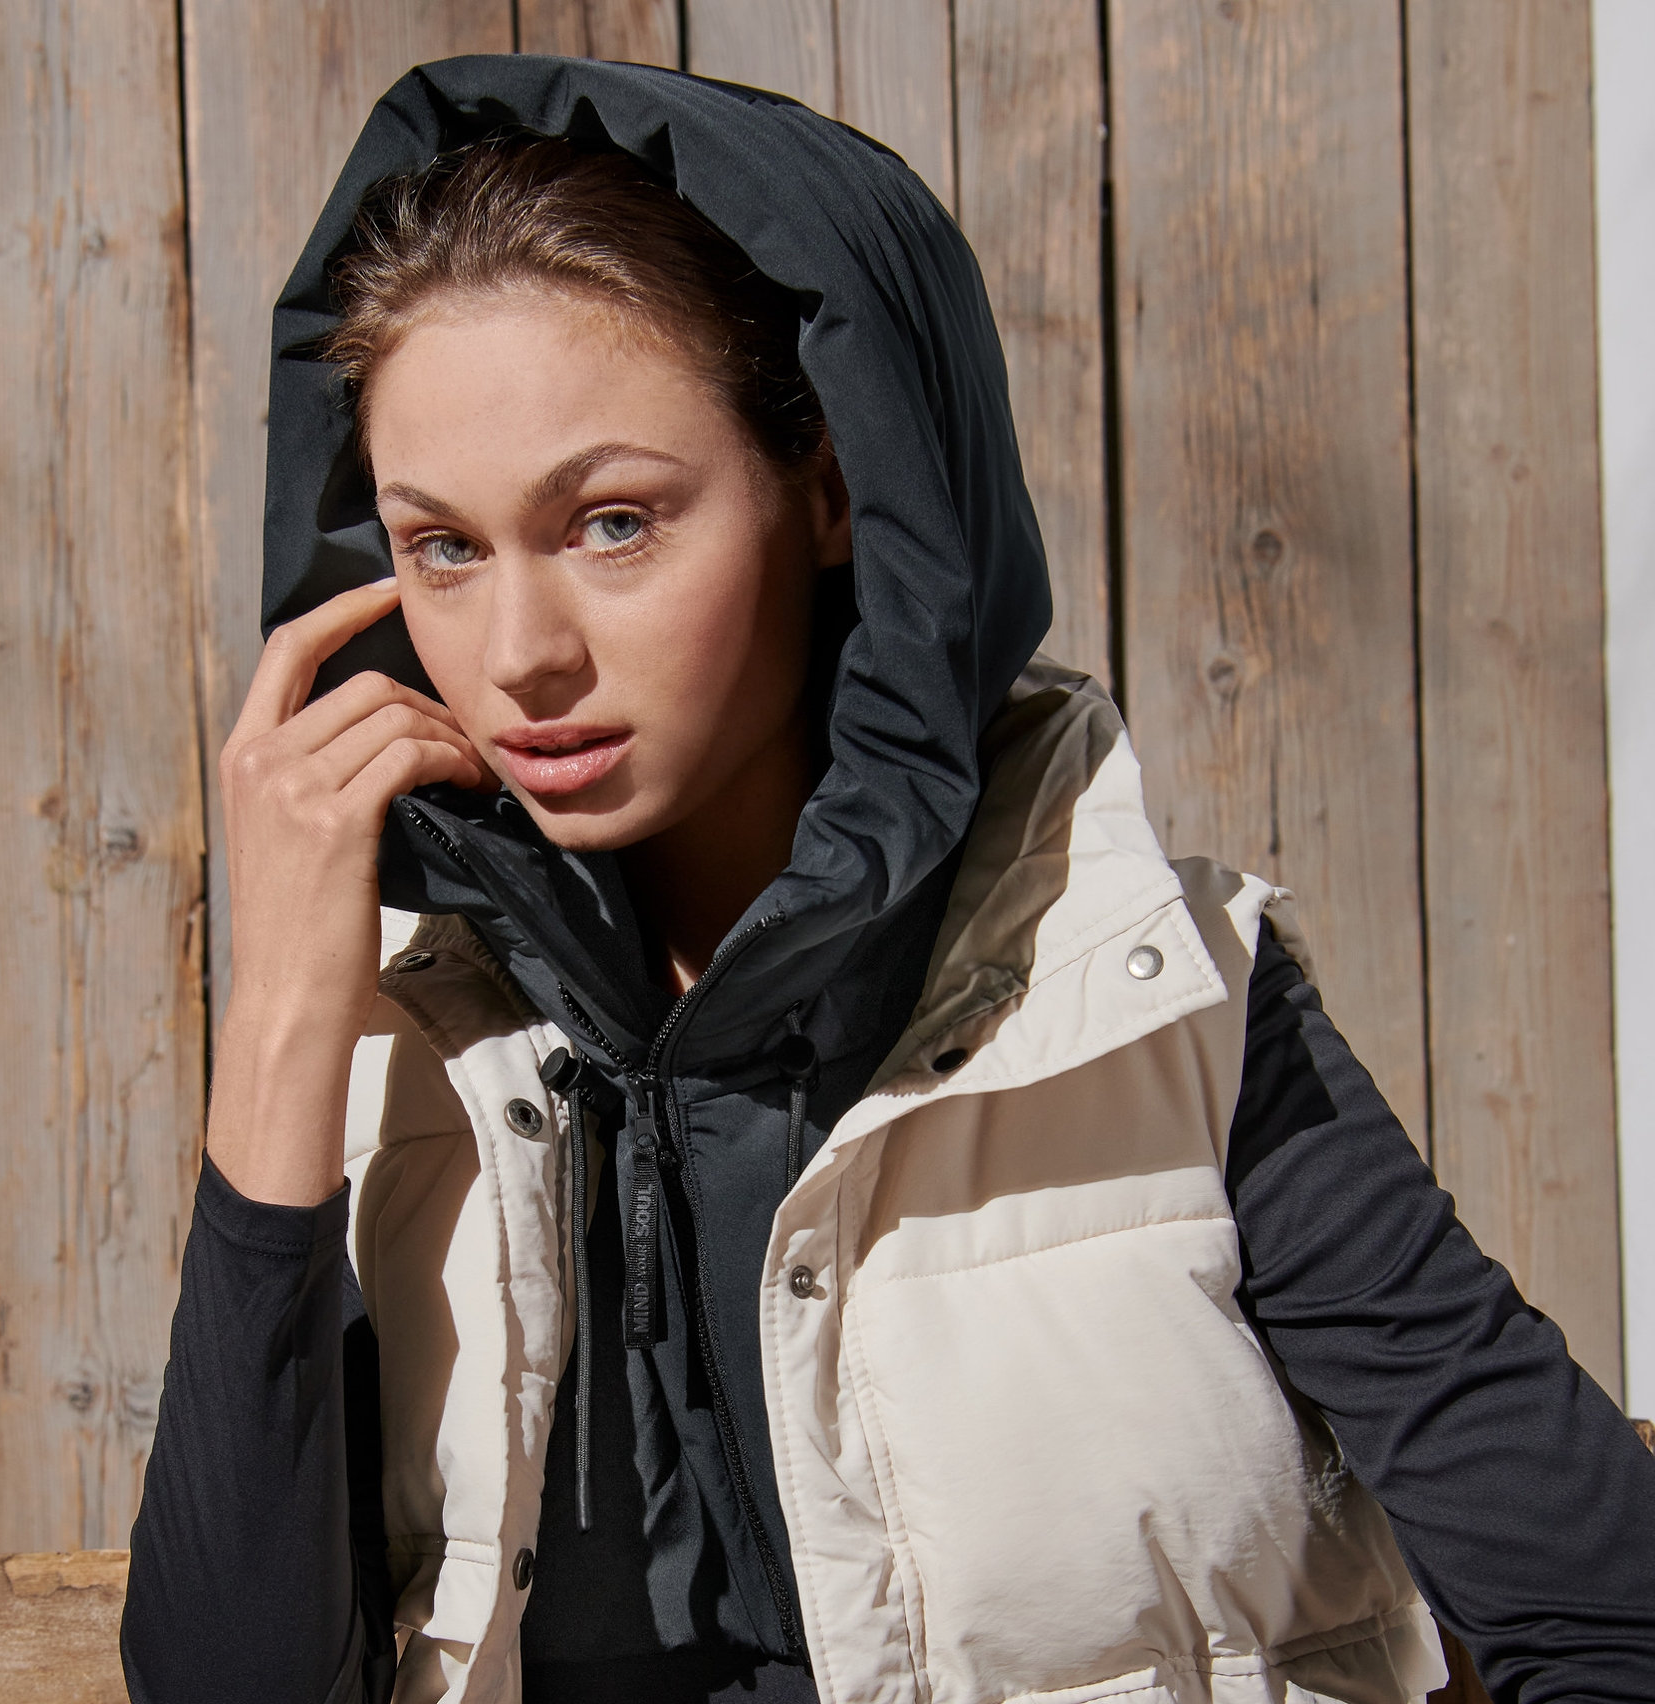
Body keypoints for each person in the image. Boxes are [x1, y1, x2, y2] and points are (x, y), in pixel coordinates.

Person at [119, 55, 1655, 1704]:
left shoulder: (1154, 1004)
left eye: (616, 522)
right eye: (443, 546)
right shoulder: (404, 1065)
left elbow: (1602, 1620)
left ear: (839, 487)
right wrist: (285, 1014)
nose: (520, 656)